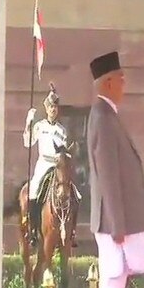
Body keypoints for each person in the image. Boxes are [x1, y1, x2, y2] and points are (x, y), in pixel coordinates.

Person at [86, 50, 144, 288]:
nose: (125, 84)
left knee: (117, 284)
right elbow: (108, 175)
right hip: (113, 223)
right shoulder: (102, 117)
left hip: (118, 220)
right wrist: (117, 225)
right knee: (112, 284)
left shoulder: (108, 115)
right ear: (108, 82)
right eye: (121, 79)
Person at [23, 82, 82, 248]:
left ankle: (72, 232)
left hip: (57, 164)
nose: (53, 110)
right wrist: (28, 123)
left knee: (76, 195)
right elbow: (28, 143)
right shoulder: (40, 126)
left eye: (55, 108)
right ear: (47, 109)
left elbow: (63, 150)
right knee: (34, 190)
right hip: (43, 163)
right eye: (50, 108)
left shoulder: (61, 130)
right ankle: (33, 229)